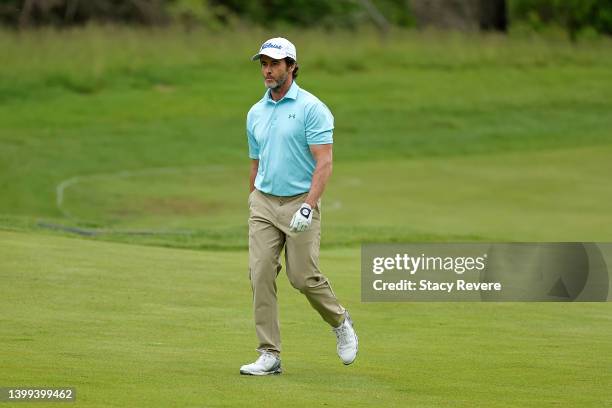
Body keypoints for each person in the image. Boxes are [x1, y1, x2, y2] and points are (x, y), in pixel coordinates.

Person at [240, 37, 358, 376]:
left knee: (302, 277)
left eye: (275, 64)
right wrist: (252, 198)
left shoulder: (312, 108)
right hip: (263, 202)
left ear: (292, 66)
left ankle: (340, 321)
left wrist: (309, 206)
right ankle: (269, 354)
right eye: (263, 64)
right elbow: (255, 162)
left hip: (298, 203)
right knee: (260, 273)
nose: (267, 70)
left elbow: (324, 163)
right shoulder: (255, 112)